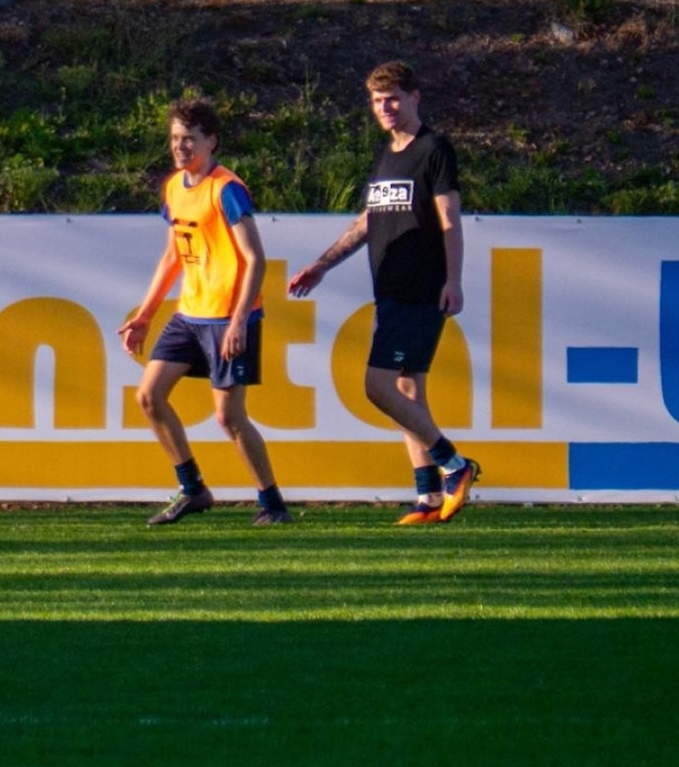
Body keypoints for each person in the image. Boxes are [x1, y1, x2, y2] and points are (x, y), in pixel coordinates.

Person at [287, 61, 479, 525]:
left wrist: (453, 280)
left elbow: (449, 220)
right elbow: (367, 222)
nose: (385, 108)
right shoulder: (387, 155)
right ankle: (428, 498)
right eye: (377, 100)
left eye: (393, 98)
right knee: (410, 391)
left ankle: (455, 466)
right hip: (389, 288)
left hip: (419, 288)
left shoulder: (434, 149)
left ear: (415, 97)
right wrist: (322, 264)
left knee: (377, 387)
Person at [117, 99, 292, 527]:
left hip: (228, 316)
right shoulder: (175, 186)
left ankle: (273, 504)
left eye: (189, 139)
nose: (180, 146)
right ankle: (193, 489)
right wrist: (145, 314)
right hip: (190, 314)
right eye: (175, 138)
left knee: (228, 417)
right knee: (148, 396)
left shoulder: (226, 189)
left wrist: (237, 322)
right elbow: (173, 256)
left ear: (211, 141)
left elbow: (255, 260)